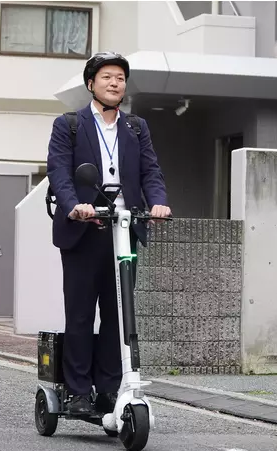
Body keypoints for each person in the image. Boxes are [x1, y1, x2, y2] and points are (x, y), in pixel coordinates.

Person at [46, 52, 171, 415]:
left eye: (120, 78)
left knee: (119, 314)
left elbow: (150, 171)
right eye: (107, 77)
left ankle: (108, 389)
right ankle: (78, 391)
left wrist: (158, 203)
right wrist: (74, 206)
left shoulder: (136, 127)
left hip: (123, 228)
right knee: (81, 313)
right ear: (91, 84)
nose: (115, 83)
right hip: (85, 229)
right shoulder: (69, 125)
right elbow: (59, 172)